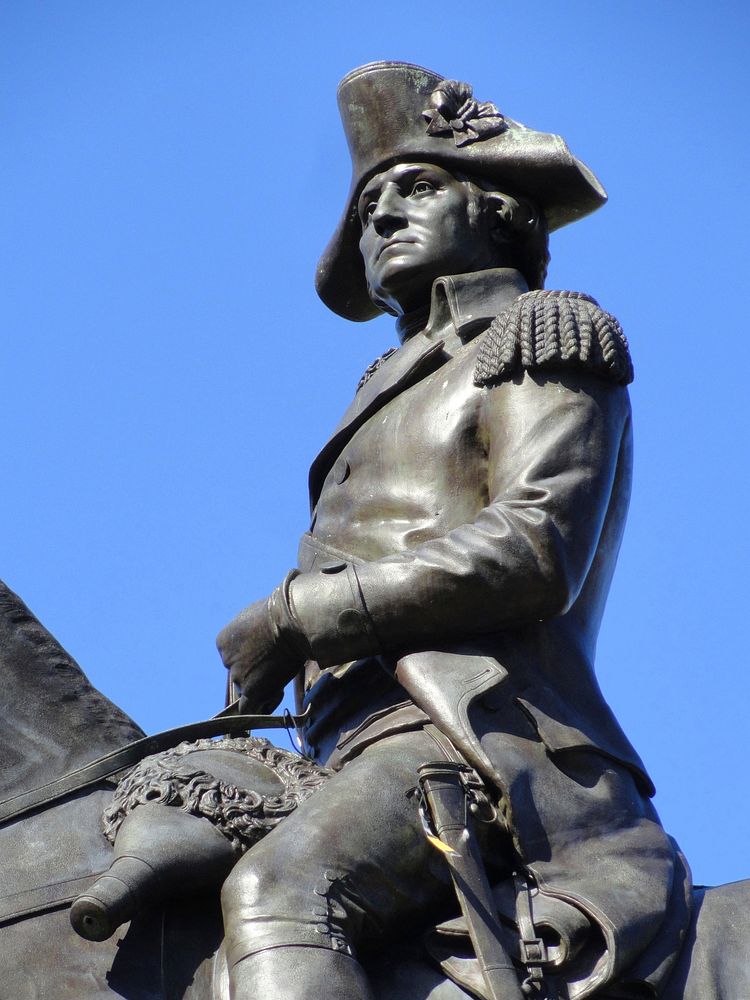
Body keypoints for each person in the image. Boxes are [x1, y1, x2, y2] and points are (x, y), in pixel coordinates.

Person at [216, 62, 690, 1000]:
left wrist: (300, 616)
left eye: (418, 187)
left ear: (501, 212)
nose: (381, 217)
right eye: (368, 207)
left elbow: (534, 547)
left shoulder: (538, 333)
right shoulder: (385, 391)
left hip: (480, 733)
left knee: (280, 890)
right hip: (344, 747)